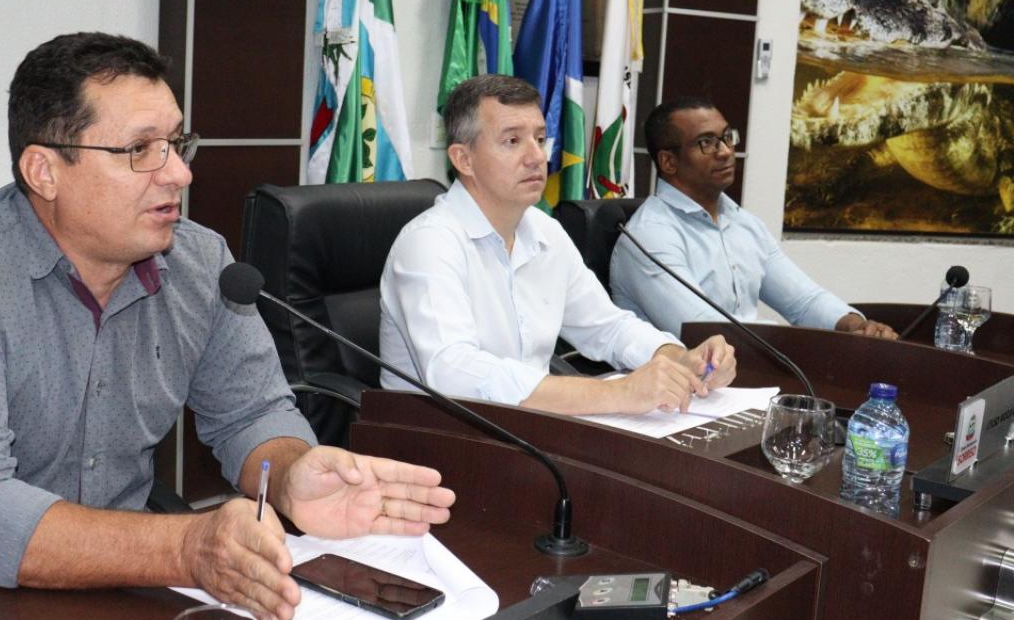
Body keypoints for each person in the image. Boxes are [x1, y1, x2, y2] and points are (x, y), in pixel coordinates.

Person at [0, 32, 454, 620]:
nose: (179, 174)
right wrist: (187, 546)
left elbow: (250, 414)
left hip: (108, 600)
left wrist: (292, 475)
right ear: (44, 171)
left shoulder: (200, 263)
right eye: (140, 150)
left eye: (177, 144)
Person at [378, 74, 736, 418]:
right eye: (512, 141)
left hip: (530, 431)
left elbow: (607, 327)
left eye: (539, 138)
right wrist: (619, 393)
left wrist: (679, 358)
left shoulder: (545, 232)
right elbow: (452, 372)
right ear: (463, 159)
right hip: (438, 438)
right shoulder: (429, 243)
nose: (537, 157)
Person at [610, 97, 897, 340]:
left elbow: (803, 301)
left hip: (747, 373)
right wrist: (791, 343)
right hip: (677, 382)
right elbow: (703, 331)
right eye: (706, 143)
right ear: (668, 161)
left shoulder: (744, 224)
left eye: (726, 137)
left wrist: (855, 326)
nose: (725, 152)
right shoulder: (649, 236)